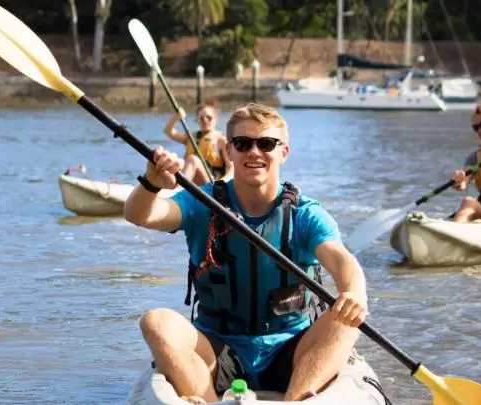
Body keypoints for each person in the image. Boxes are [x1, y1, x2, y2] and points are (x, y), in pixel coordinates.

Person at [125, 103, 369, 403]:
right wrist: (151, 183)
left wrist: (353, 293)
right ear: (229, 152)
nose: (254, 152)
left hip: (292, 348)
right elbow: (141, 215)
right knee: (155, 321)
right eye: (243, 143)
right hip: (217, 346)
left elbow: (342, 260)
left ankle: (295, 401)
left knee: (347, 320)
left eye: (266, 143)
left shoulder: (306, 214)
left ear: (283, 152)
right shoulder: (201, 203)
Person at [162, 101, 232, 185]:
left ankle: (179, 187)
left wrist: (221, 183)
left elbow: (231, 168)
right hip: (193, 181)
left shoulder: (221, 140)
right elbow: (168, 132)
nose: (205, 120)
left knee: (192, 159)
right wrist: (176, 117)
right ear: (197, 120)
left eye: (209, 117)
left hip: (211, 182)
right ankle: (176, 186)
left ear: (216, 119)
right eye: (201, 118)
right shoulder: (190, 137)